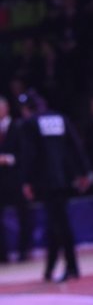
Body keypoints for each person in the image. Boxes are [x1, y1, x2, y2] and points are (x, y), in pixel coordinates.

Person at [17, 90, 93, 282]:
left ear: (26, 109)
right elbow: (76, 145)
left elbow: (29, 155)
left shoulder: (30, 123)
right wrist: (84, 172)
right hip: (65, 179)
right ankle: (49, 269)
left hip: (46, 182)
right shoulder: (60, 118)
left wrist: (26, 181)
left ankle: (72, 267)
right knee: (55, 223)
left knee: (60, 224)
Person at [0, 95, 32, 263]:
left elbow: (26, 152)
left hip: (17, 178)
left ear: (6, 109)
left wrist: (8, 159)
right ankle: (2, 254)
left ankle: (24, 251)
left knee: (23, 215)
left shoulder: (18, 126)